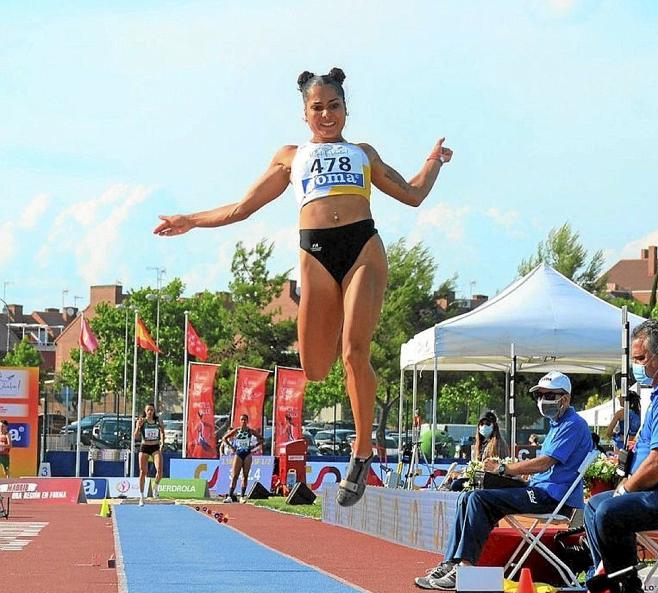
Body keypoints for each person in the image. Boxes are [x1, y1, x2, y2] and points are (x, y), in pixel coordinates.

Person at [153, 67, 452, 507]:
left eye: (334, 106)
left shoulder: (363, 154)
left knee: (354, 351)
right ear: (304, 113)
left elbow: (412, 194)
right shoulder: (290, 157)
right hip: (315, 254)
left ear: (346, 109)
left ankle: (361, 452)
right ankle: (343, 360)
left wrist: (433, 162)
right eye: (318, 108)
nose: (327, 114)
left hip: (363, 247)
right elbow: (241, 207)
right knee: (314, 368)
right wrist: (190, 220)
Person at [415, 371, 592, 590]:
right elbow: (545, 468)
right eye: (540, 396)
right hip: (540, 491)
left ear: (565, 398)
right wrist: (516, 474)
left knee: (479, 499)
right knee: (467, 496)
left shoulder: (573, 424)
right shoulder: (558, 423)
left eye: (549, 395)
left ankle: (466, 569)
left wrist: (504, 468)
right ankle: (450, 563)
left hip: (554, 498)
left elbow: (545, 463)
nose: (543, 401)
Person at [573, 320, 658, 593]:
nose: (636, 367)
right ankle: (617, 592)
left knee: (611, 511)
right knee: (595, 505)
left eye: (640, 359)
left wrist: (625, 488)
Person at [220, 414, 264, 502]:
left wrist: (253, 447)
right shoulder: (237, 430)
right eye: (242, 419)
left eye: (245, 420)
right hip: (238, 453)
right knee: (235, 476)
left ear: (247, 421)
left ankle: (242, 497)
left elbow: (261, 439)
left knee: (245, 476)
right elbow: (224, 438)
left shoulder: (250, 431)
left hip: (247, 454)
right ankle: (230, 496)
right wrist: (231, 447)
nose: (243, 421)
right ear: (240, 421)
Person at [134, 404, 165, 506]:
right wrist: (138, 427)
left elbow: (162, 432)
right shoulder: (142, 421)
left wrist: (162, 442)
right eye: (148, 410)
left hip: (155, 447)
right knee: (143, 472)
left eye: (152, 410)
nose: (150, 412)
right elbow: (135, 436)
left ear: (154, 411)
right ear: (145, 411)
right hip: (144, 447)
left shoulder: (158, 421)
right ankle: (141, 497)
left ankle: (155, 487)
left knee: (160, 470)